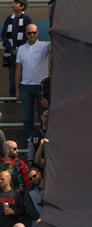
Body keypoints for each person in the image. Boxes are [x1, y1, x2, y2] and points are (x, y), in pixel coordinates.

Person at [14, 23, 47, 153]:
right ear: (26, 34)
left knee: (43, 116)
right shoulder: (21, 49)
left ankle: (43, 141)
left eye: (34, 32)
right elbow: (18, 70)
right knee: (28, 117)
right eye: (29, 33)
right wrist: (17, 90)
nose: (32, 35)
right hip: (25, 87)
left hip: (41, 87)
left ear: (38, 33)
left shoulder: (45, 46)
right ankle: (29, 142)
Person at [1, 0, 32, 97]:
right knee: (11, 76)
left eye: (16, 3)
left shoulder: (27, 19)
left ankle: (23, 97)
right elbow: (4, 35)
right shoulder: (9, 18)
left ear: (22, 7)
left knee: (22, 75)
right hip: (11, 53)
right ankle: (12, 97)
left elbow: (28, 35)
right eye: (13, 3)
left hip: (23, 53)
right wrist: (11, 49)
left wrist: (19, 49)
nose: (13, 4)